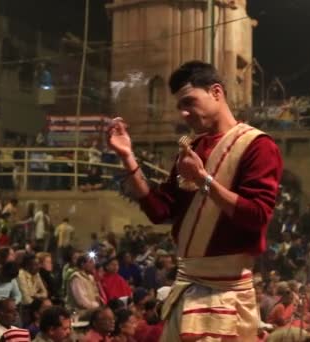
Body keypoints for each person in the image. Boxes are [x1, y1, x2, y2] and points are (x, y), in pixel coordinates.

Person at [107, 60, 283, 341]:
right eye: (180, 106)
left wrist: (204, 181)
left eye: (189, 102)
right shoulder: (192, 149)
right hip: (187, 289)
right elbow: (159, 210)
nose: (184, 113)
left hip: (228, 293)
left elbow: (257, 216)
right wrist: (128, 157)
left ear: (216, 92)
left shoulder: (258, 146)